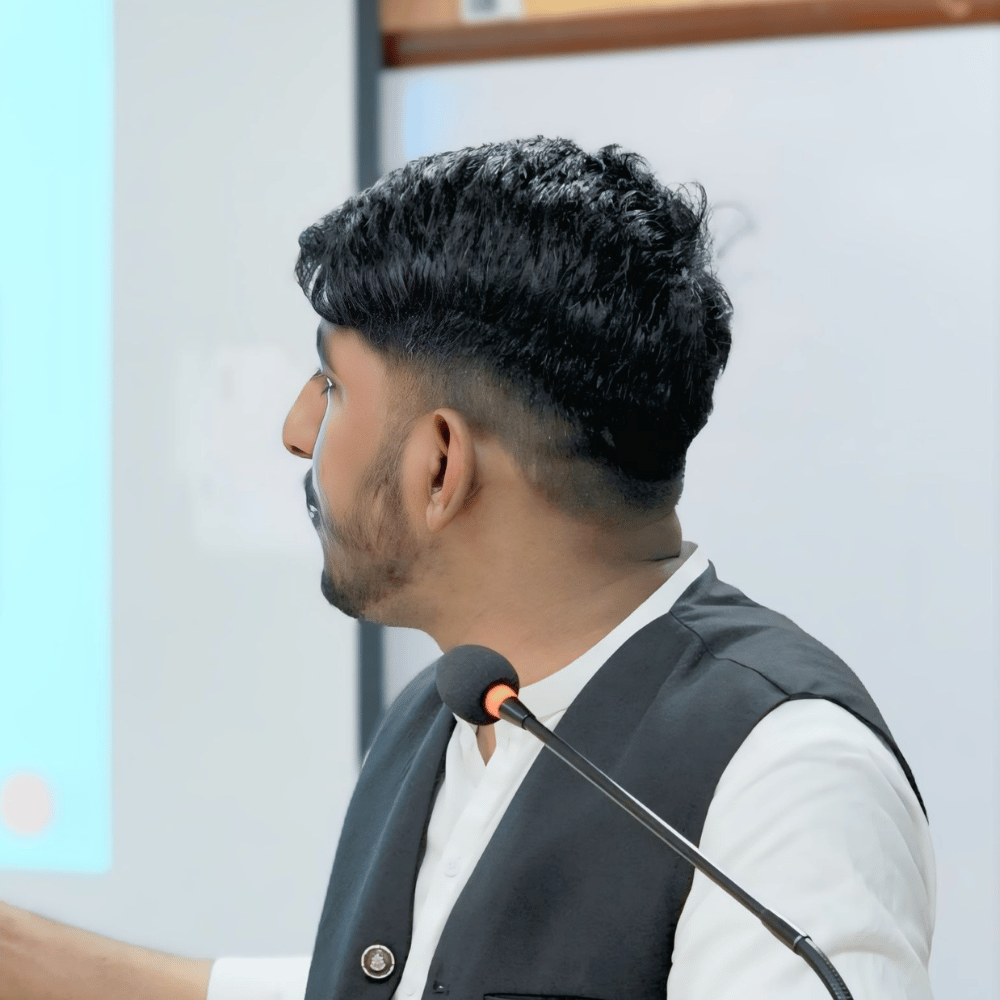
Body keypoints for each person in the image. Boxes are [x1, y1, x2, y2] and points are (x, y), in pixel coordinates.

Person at [0, 137, 935, 1000]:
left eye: (330, 387)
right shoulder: (450, 710)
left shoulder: (788, 773)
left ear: (440, 464)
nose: (295, 432)